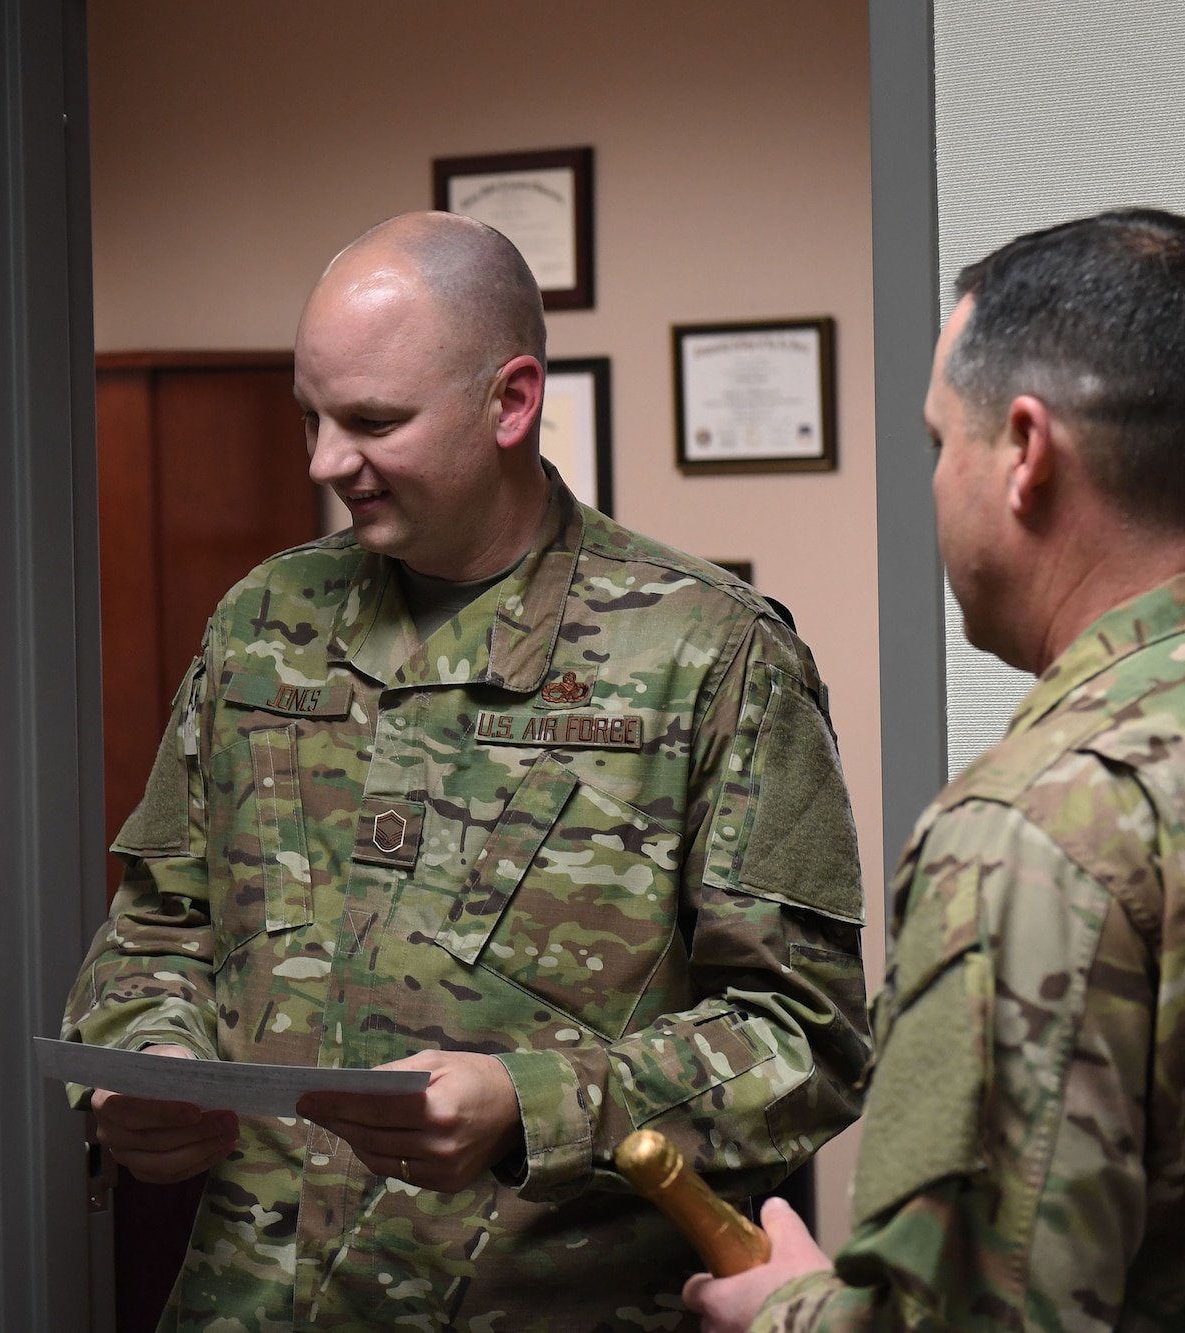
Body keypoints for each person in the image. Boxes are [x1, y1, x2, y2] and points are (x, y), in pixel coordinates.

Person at [62, 211, 872, 1329]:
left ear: (510, 401)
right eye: (308, 416)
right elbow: (159, 927)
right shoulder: (261, 623)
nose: (322, 462)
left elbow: (807, 1035)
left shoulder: (708, 651)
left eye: (371, 421)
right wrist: (142, 1061)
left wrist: (531, 1104)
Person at [683, 209, 1185, 1332]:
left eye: (934, 441)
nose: (932, 479)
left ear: (1023, 450)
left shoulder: (1039, 829)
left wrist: (789, 1312)